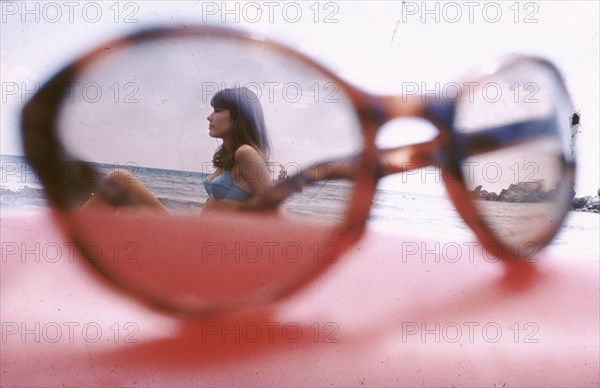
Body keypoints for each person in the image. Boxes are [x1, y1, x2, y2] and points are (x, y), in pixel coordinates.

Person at [82, 87, 273, 213]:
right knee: (119, 185)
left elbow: (274, 206)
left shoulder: (246, 153)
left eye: (217, 110)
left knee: (119, 178)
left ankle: (70, 240)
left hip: (202, 245)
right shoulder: (230, 156)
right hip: (196, 236)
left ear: (239, 116)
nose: (209, 117)